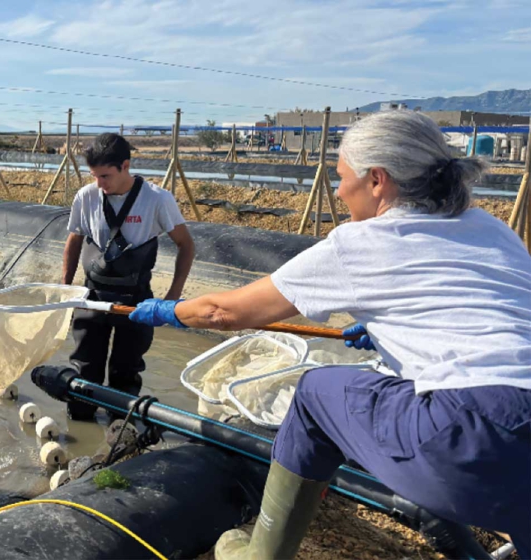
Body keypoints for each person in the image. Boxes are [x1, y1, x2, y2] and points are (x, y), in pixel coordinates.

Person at [130, 111, 531, 559]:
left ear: (376, 179)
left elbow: (225, 312)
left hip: (472, 436)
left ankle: (262, 553)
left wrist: (171, 310)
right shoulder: (493, 229)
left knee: (316, 392)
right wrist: (387, 334)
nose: (338, 191)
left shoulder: (360, 242)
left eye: (342, 177)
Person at [62, 133, 195, 420]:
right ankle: (80, 423)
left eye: (105, 176)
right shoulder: (86, 197)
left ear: (125, 165)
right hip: (92, 298)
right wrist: (64, 288)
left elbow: (186, 245)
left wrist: (171, 298)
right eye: (94, 176)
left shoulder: (156, 199)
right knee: (84, 369)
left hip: (135, 301)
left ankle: (120, 428)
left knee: (125, 372)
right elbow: (74, 240)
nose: (100, 184)